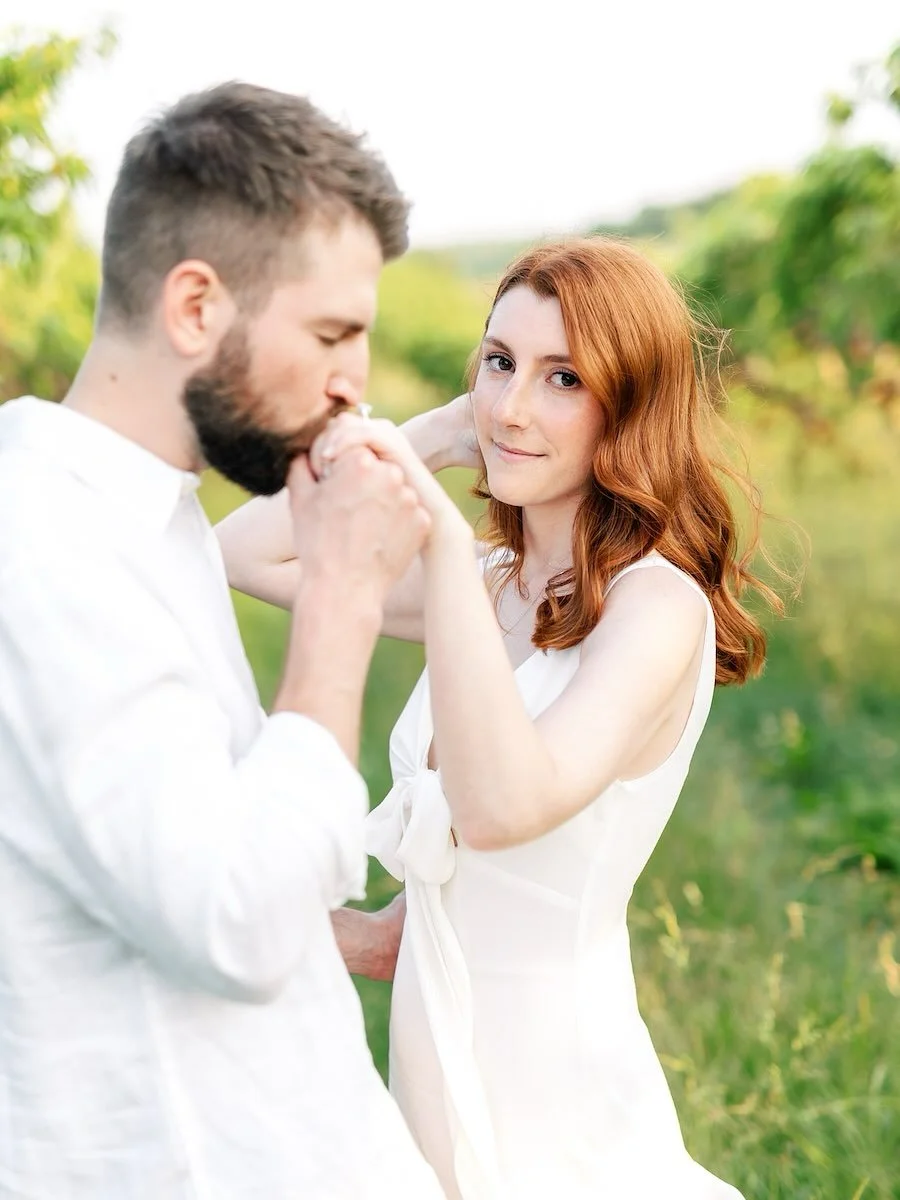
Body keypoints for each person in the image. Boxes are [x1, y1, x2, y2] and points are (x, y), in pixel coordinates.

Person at [218, 236, 783, 1198]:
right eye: (499, 362)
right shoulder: (492, 582)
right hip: (435, 1078)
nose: (513, 409)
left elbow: (499, 809)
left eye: (564, 378)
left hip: (557, 1111)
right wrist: (426, 440)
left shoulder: (656, 609)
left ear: (630, 404)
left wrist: (438, 539)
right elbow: (243, 551)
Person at [0, 82, 445, 1198]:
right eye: (333, 334)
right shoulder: (48, 548)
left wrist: (349, 939)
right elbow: (228, 919)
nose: (355, 381)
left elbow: (124, 862)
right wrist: (341, 597)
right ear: (195, 307)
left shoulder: (142, 517)